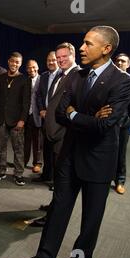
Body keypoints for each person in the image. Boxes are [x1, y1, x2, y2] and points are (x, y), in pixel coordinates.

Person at [19, 26, 130, 258]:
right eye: (83, 43)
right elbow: (60, 112)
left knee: (90, 219)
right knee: (58, 208)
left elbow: (105, 125)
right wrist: (85, 115)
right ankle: (45, 255)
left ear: (106, 49)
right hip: (69, 155)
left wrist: (75, 114)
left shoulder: (123, 82)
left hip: (99, 160)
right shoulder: (75, 77)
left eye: (88, 44)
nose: (81, 48)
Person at [30, 43, 80, 227]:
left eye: (64, 57)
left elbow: (78, 108)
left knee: (63, 181)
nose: (60, 60)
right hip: (53, 135)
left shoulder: (79, 76)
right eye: (58, 57)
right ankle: (54, 207)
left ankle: (53, 219)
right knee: (58, 179)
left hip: (65, 137)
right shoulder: (60, 74)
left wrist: (59, 131)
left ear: (73, 55)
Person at [0, 52, 31, 186]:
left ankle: (19, 174)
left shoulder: (25, 80)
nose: (14, 64)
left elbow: (26, 102)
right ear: (8, 61)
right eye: (12, 61)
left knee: (18, 148)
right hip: (1, 118)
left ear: (20, 64)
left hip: (17, 120)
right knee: (1, 147)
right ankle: (1, 171)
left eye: (17, 62)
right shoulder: (1, 77)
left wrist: (22, 119)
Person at [112, 53, 130, 194]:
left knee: (120, 153)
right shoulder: (108, 79)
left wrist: (129, 122)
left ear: (128, 64)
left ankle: (120, 180)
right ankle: (105, 178)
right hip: (107, 124)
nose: (119, 63)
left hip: (123, 124)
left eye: (123, 61)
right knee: (106, 152)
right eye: (117, 60)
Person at [34, 51, 61, 186]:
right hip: (45, 118)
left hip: (57, 120)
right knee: (47, 148)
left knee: (57, 152)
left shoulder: (63, 76)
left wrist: (51, 112)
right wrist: (41, 110)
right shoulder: (43, 76)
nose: (51, 62)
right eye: (48, 60)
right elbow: (39, 95)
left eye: (54, 60)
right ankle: (46, 175)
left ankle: (56, 181)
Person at [24, 59, 42, 173]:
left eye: (34, 67)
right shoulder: (25, 81)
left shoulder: (42, 80)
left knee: (38, 141)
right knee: (25, 141)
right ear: (26, 70)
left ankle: (37, 163)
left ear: (38, 67)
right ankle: (23, 161)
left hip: (38, 115)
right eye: (29, 68)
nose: (32, 69)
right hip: (26, 115)